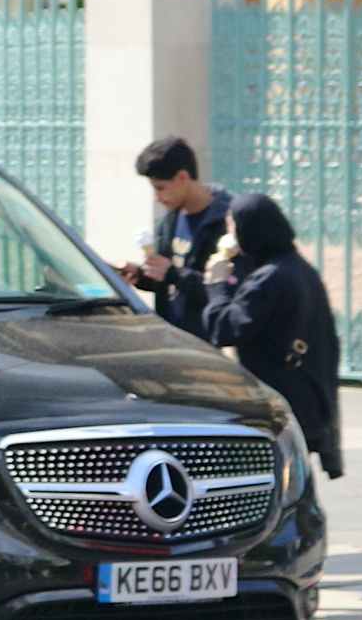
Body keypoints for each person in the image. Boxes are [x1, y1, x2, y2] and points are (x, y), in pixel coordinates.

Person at [205, 194, 344, 478]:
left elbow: (224, 329)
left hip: (281, 398)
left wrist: (216, 285)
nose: (230, 235)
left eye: (233, 227)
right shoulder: (296, 268)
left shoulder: (270, 278)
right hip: (305, 395)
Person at [118, 136, 231, 338]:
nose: (157, 197)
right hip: (173, 339)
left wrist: (173, 274)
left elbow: (227, 290)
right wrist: (141, 275)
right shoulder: (172, 217)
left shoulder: (226, 222)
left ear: (182, 178)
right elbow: (169, 282)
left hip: (207, 345)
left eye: (160, 188)